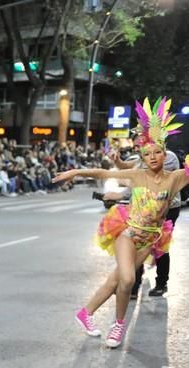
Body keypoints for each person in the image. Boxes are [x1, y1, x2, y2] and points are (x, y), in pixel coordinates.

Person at [54, 97, 189, 348]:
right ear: (142, 156)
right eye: (146, 154)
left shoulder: (175, 179)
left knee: (115, 280)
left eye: (157, 152)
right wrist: (74, 172)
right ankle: (118, 326)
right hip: (128, 235)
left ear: (165, 154)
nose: (152, 157)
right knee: (127, 280)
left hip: (152, 239)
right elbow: (104, 173)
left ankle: (85, 313)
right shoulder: (135, 175)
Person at [107, 150, 182, 298]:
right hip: (142, 209)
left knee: (160, 246)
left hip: (166, 209)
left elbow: (156, 180)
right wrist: (117, 161)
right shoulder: (143, 157)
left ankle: (161, 283)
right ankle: (133, 285)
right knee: (136, 243)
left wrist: (123, 194)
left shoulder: (168, 157)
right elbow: (127, 167)